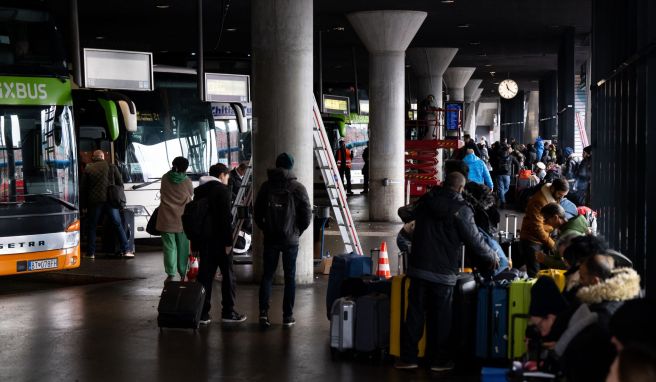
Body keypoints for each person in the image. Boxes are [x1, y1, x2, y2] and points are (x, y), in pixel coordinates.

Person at [395, 172, 498, 372]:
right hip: (443, 272)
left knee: (414, 314)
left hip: (418, 268)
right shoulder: (461, 209)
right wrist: (491, 256)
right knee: (441, 318)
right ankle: (439, 361)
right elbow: (474, 240)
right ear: (460, 188)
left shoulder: (427, 201)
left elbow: (403, 213)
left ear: (444, 184)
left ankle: (408, 358)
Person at [254, 152, 312, 328]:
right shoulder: (298, 187)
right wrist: (296, 231)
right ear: (290, 167)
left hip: (271, 238)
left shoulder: (266, 186)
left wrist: (266, 228)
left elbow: (257, 213)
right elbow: (307, 215)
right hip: (290, 240)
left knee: (267, 276)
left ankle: (263, 314)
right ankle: (288, 316)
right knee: (290, 277)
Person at [528, 277, 615, 382]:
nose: (542, 333)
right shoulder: (574, 325)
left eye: (539, 326)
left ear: (551, 316)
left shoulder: (580, 339)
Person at [193, 163, 247, 325]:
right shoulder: (222, 191)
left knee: (205, 277)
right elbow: (224, 219)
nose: (228, 178)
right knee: (228, 276)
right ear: (222, 175)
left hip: (204, 240)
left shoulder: (200, 191)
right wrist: (228, 242)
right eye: (227, 176)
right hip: (219, 241)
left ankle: (202, 313)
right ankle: (228, 312)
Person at [82, 150, 134, 258]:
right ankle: (126, 250)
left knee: (92, 227)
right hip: (111, 201)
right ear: (102, 156)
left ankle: (90, 253)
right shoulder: (111, 166)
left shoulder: (88, 168)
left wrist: (84, 205)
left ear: (94, 157)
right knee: (118, 225)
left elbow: (83, 188)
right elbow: (120, 183)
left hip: (95, 202)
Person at [519, 178, 569, 276]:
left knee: (545, 272)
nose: (561, 198)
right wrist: (552, 244)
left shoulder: (553, 197)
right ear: (553, 189)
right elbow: (537, 227)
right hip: (532, 240)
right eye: (560, 194)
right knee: (535, 274)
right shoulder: (539, 200)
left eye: (563, 196)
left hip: (543, 238)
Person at [156, 156, 194, 283]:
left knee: (169, 247)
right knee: (183, 247)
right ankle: (183, 272)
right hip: (182, 219)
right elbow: (191, 194)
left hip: (166, 218)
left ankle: (170, 273)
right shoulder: (187, 181)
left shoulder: (165, 178)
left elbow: (162, 192)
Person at [576, 255, 641, 328]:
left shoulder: (601, 313)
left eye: (582, 277)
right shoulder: (628, 296)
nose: (578, 281)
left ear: (595, 281)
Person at [493, 144, 520, 209]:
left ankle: (500, 198)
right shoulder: (511, 157)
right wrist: (517, 172)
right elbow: (517, 164)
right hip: (507, 174)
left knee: (501, 189)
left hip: (499, 174)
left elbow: (494, 164)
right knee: (507, 188)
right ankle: (502, 201)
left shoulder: (498, 156)